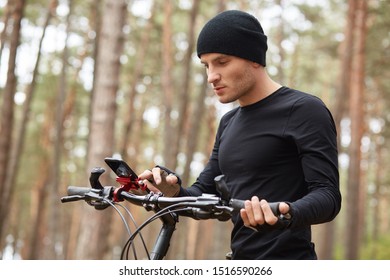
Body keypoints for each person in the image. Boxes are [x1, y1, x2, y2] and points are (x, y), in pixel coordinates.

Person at [138, 10, 342, 260]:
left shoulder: (303, 109)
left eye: (222, 62)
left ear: (254, 58)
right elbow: (204, 193)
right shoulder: (228, 122)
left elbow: (328, 196)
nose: (211, 76)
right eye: (206, 65)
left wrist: (285, 213)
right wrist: (171, 191)